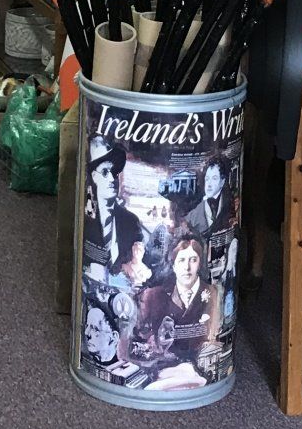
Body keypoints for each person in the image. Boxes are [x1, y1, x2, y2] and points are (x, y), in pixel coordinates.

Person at [135, 236, 218, 366]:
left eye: (193, 260)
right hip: (160, 366)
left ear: (200, 264)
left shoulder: (212, 293)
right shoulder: (153, 295)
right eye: (181, 260)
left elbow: (214, 335)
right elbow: (141, 335)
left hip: (199, 365)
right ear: (173, 265)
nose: (187, 267)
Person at [83, 137, 144, 277]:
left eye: (114, 172)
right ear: (94, 176)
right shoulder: (86, 214)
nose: (112, 178)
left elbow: (138, 259)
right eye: (105, 172)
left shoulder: (131, 221)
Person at [184, 155, 234, 239]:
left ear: (222, 181)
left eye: (214, 178)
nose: (209, 184)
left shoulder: (230, 204)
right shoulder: (192, 217)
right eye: (207, 179)